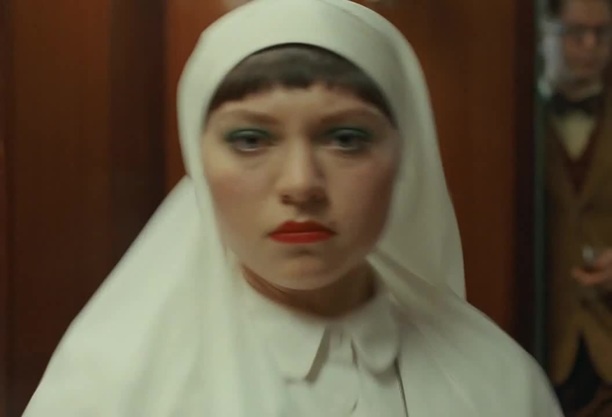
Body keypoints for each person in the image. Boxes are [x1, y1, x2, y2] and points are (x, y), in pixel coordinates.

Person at [23, 0, 562, 415]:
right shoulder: (112, 388)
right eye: (250, 139)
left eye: (346, 138)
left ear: (406, 157)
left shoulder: (498, 383)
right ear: (198, 159)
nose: (301, 184)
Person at [539, 0, 612, 414]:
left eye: (602, 33)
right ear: (544, 33)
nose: (590, 46)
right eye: (575, 33)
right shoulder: (507, 117)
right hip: (535, 334)